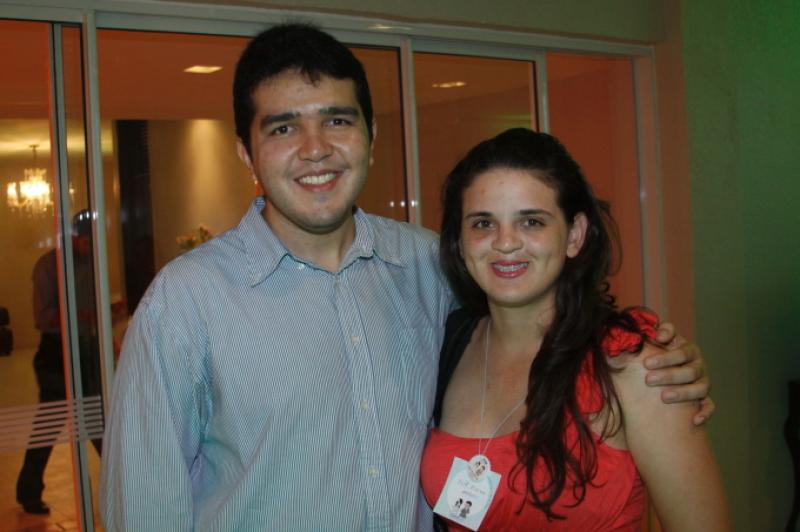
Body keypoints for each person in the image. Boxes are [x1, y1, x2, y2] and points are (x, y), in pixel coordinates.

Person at [101, 24, 712, 531]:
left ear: (370, 136)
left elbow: (542, 324)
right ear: (246, 153)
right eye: (283, 127)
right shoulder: (187, 301)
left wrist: (661, 369)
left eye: (337, 120)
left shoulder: (431, 266)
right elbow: (143, 510)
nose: (315, 149)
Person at [421, 128, 730, 531]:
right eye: (483, 223)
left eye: (531, 221)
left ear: (574, 235)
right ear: (461, 243)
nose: (505, 243)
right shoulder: (445, 344)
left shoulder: (633, 367)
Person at [16, 210, 103, 515]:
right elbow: (43, 318)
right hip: (56, 355)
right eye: (86, 241)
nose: (89, 247)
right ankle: (28, 493)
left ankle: (124, 482)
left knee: (95, 422)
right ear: (73, 237)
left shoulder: (88, 264)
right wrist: (83, 316)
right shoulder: (47, 266)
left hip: (85, 352)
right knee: (50, 425)